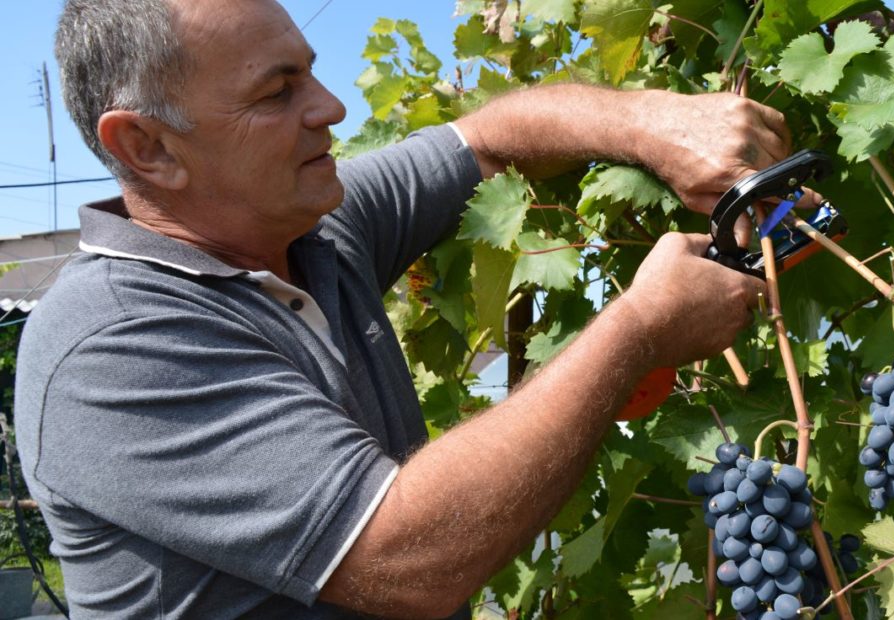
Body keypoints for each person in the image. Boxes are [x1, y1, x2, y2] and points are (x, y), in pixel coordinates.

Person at [14, 0, 793, 617]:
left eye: (309, 75)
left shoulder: (316, 228)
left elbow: (486, 139)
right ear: (147, 147)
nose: (331, 108)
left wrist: (648, 123)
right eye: (277, 92)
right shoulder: (111, 344)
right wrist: (640, 327)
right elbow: (404, 557)